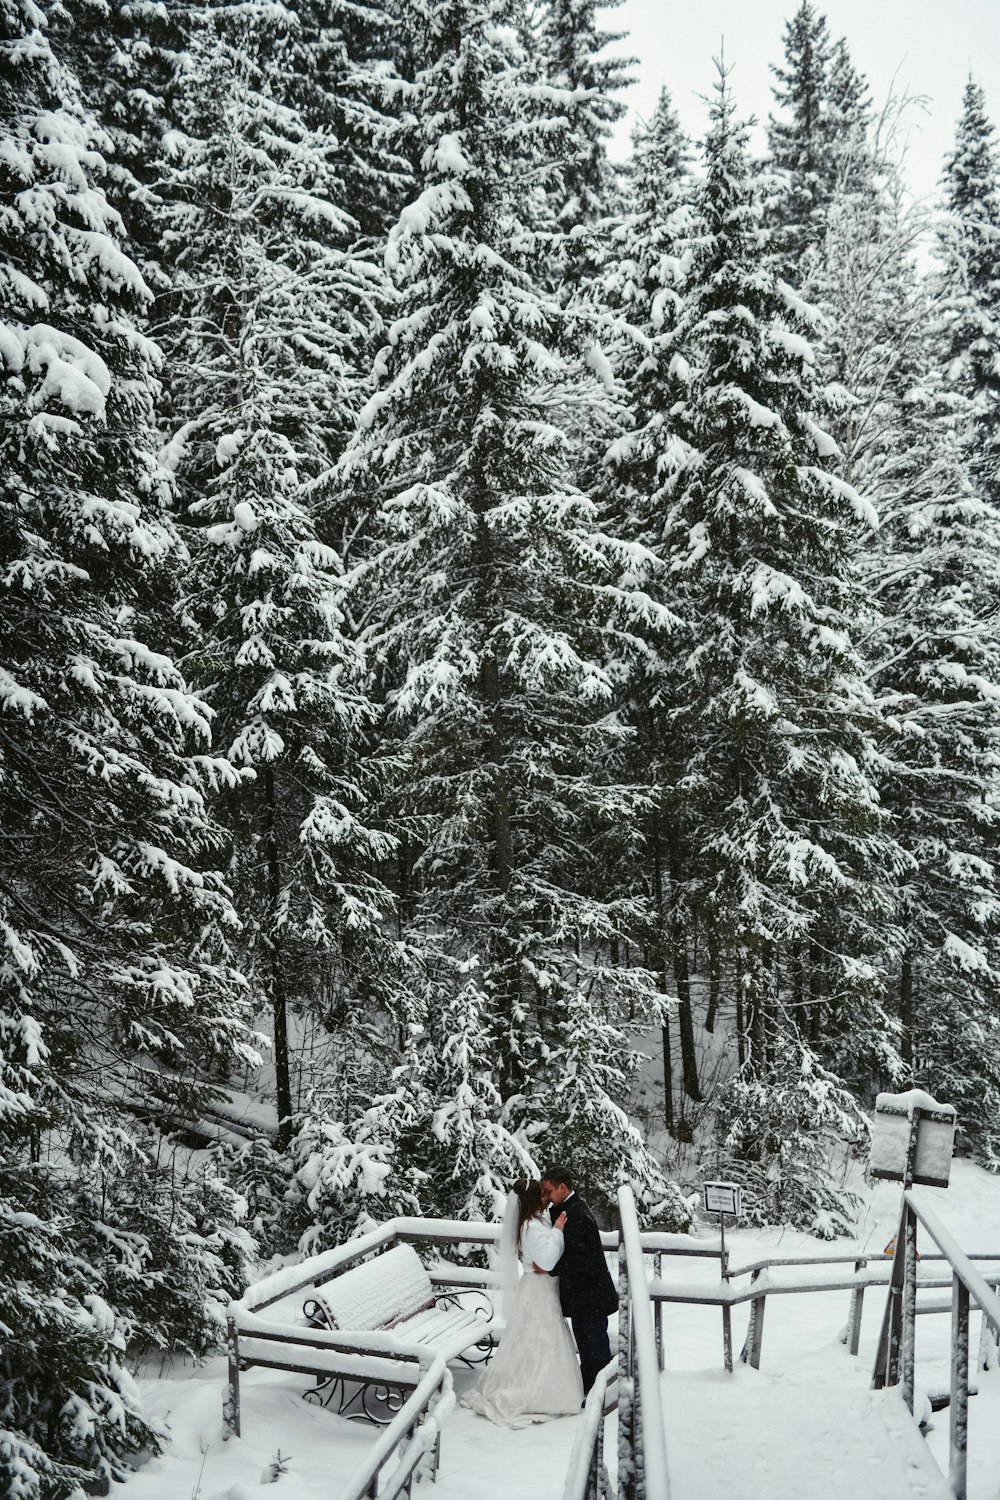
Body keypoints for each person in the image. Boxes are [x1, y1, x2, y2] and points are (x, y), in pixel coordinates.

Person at [460, 1177, 584, 1428]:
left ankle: (543, 1385)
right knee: (540, 1339)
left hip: (540, 1288)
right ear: (532, 1200)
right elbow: (547, 1261)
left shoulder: (534, 1221)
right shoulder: (531, 1226)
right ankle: (536, 1391)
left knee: (535, 1339)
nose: (546, 1197)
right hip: (539, 1292)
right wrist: (558, 1231)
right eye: (542, 1195)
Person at [540, 1165, 618, 1395]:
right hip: (583, 1295)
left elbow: (579, 1259)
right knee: (585, 1346)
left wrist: (550, 1267)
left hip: (590, 1296)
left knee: (595, 1348)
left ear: (562, 1188)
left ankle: (602, 1394)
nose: (546, 1197)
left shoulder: (578, 1215)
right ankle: (590, 1388)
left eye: (549, 1191)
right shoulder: (568, 1209)